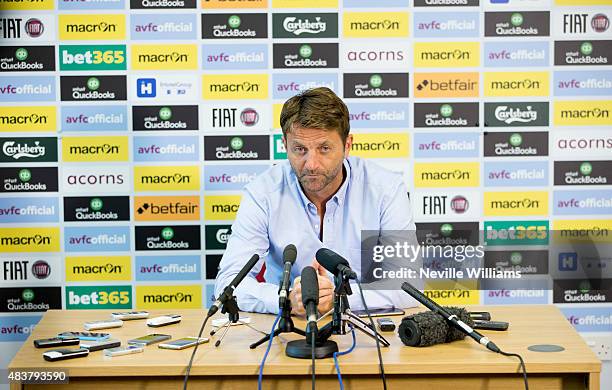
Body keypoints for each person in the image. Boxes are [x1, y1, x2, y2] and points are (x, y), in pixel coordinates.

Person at [214, 87, 417, 315]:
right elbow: (229, 283)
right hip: (287, 330)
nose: (311, 164)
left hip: (363, 332)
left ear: (347, 145)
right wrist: (286, 299)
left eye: (324, 149)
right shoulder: (262, 193)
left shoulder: (386, 189)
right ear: (285, 145)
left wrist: (339, 299)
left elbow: (408, 285)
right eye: (299, 149)